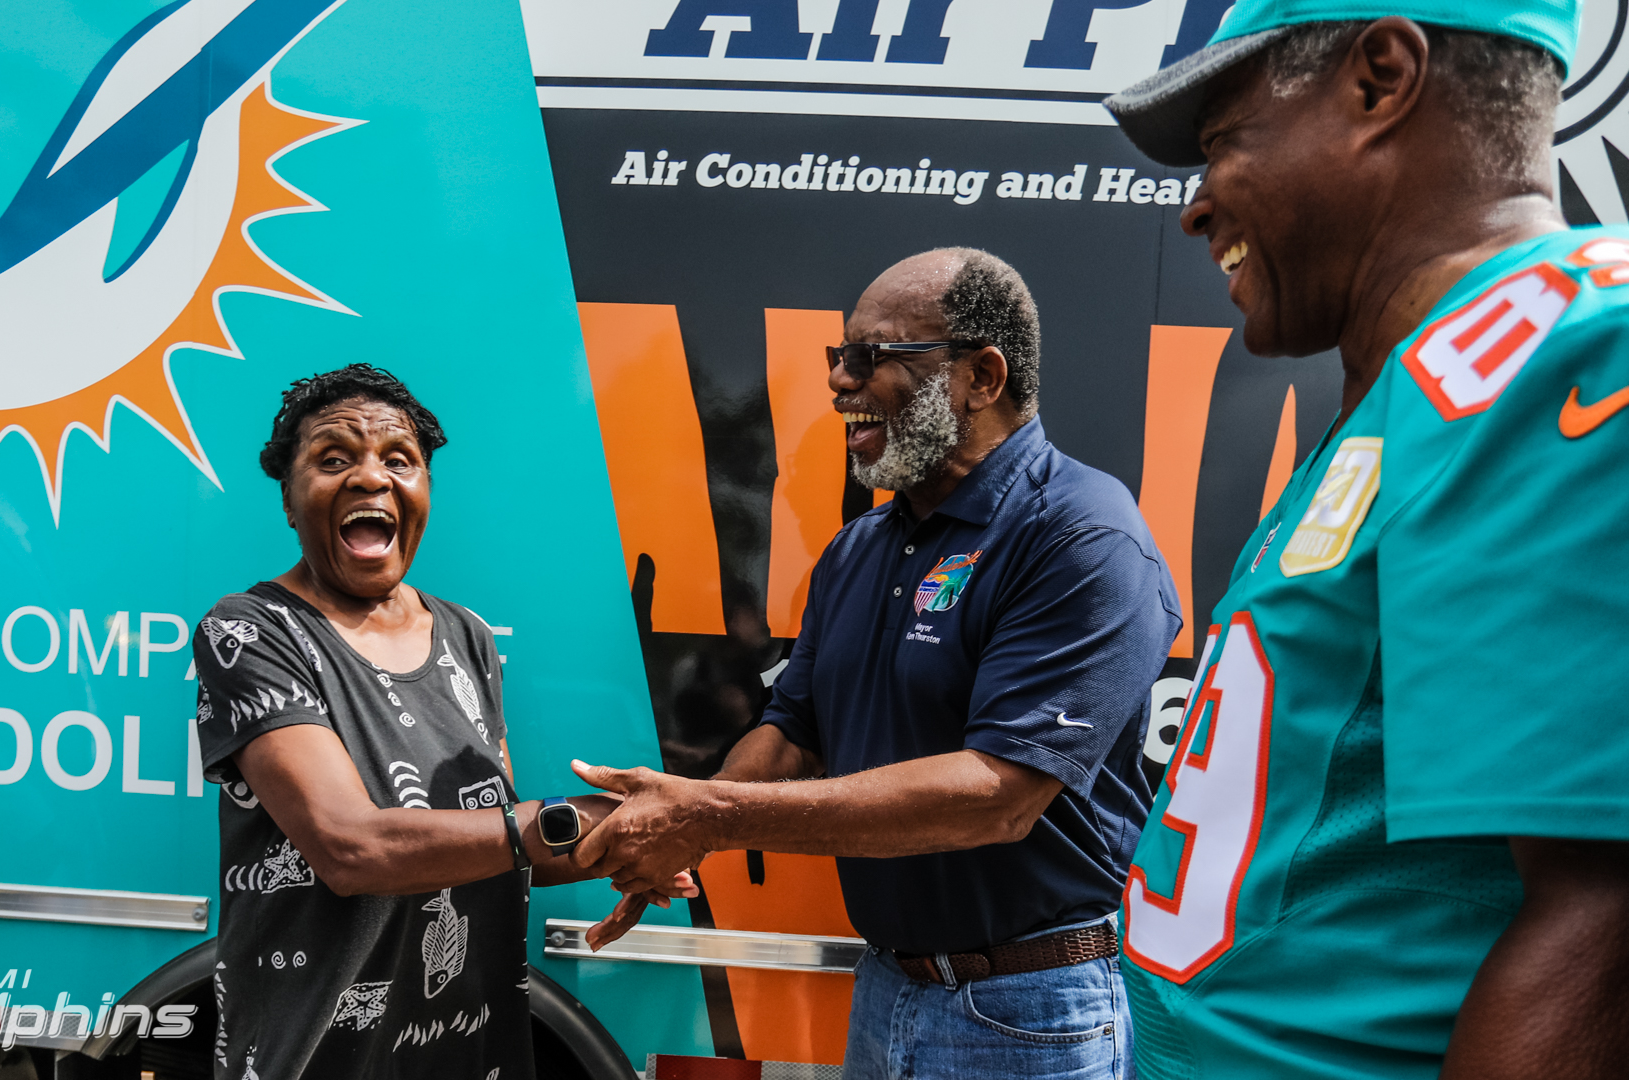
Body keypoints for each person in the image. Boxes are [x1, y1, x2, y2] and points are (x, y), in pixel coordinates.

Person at [1100, 2, 1629, 1078]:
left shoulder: (1600, 339)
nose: (1195, 205)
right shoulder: (1421, 382)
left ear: (1379, 77)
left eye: (1223, 139)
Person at [571, 248, 1183, 1079]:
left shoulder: (1080, 534)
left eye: (872, 356)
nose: (839, 382)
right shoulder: (859, 550)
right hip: (887, 989)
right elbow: (794, 733)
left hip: (1031, 1012)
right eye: (839, 357)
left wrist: (706, 813)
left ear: (982, 374)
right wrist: (686, 829)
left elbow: (998, 798)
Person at [192, 364, 691, 1080]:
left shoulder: (465, 637)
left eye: (400, 461)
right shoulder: (252, 630)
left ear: (425, 489)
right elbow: (349, 848)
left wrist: (622, 842)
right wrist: (564, 820)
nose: (371, 478)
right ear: (289, 501)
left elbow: (490, 847)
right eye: (333, 460)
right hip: (317, 1057)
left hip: (470, 1048)